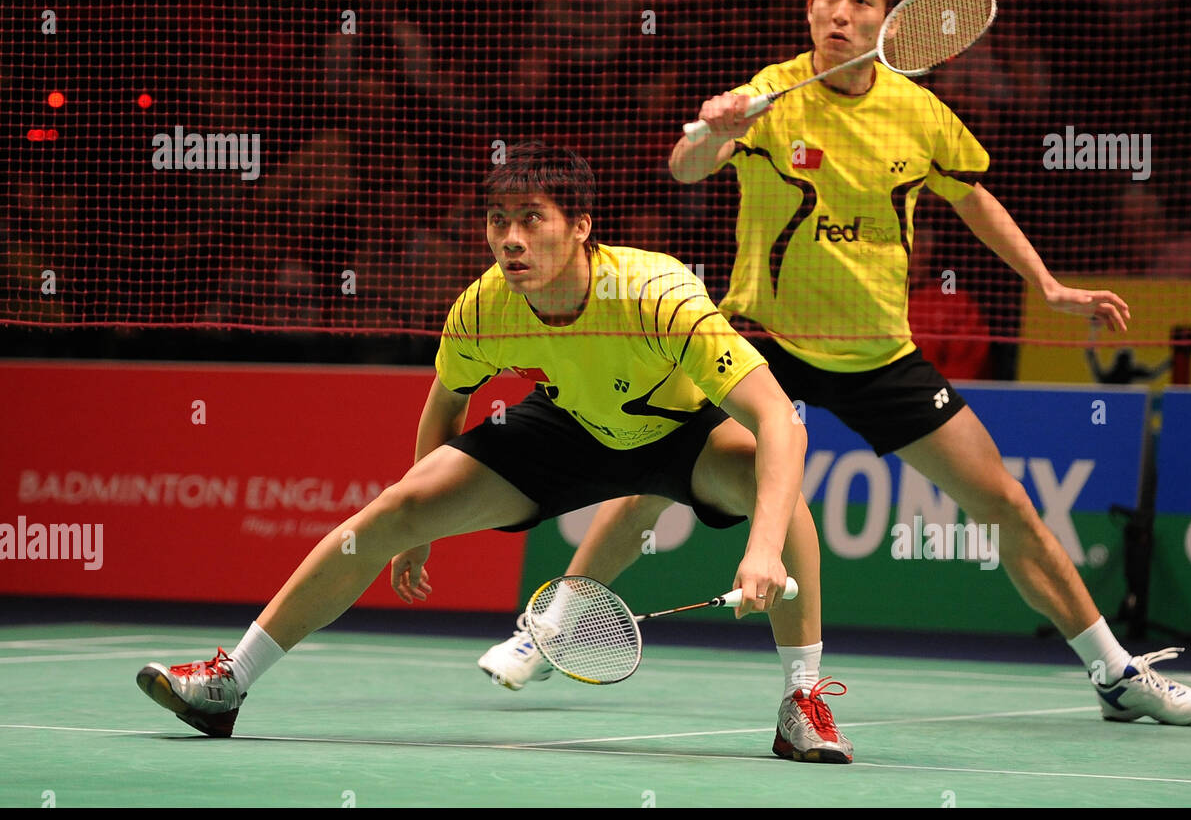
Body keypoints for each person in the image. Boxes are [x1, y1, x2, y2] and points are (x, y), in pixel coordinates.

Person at [478, 0, 1191, 728]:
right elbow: (684, 167)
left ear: (889, 23)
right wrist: (711, 127)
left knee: (1004, 500)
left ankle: (1114, 672)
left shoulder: (918, 111)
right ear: (809, 9)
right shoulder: (774, 92)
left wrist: (1046, 284)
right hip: (761, 336)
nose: (840, 11)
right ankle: (548, 630)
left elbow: (972, 196)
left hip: (877, 351)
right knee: (652, 481)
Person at [136, 144, 853, 763]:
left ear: (580, 227)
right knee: (391, 509)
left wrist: (763, 550)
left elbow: (780, 423)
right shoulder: (484, 307)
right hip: (569, 427)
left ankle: (801, 704)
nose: (510, 238)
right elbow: (447, 402)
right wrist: (413, 530)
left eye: (531, 218)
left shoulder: (656, 294)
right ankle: (227, 682)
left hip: (680, 430)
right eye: (497, 220)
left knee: (780, 491)